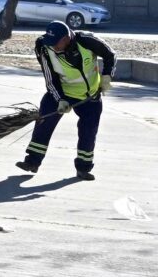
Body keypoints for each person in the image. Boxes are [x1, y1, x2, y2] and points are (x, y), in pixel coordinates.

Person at [16, 20, 116, 181]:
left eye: (56, 42)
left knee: (88, 131)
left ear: (66, 38)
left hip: (89, 95)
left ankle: (83, 168)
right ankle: (32, 162)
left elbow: (110, 55)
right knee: (44, 122)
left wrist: (107, 77)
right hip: (61, 92)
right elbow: (50, 77)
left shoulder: (87, 40)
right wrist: (60, 99)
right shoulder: (43, 46)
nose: (53, 46)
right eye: (50, 42)